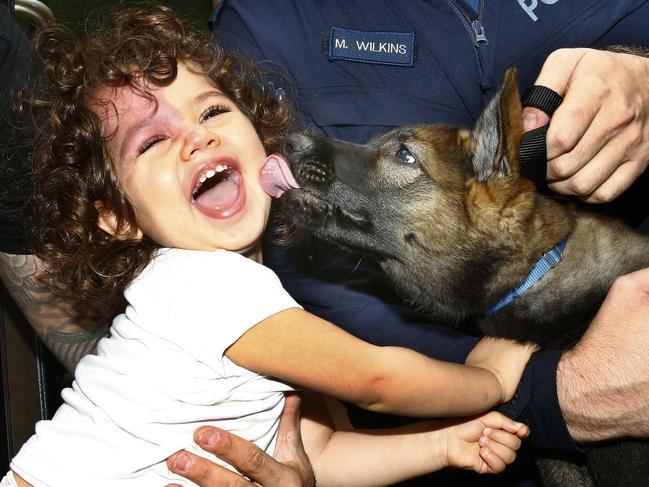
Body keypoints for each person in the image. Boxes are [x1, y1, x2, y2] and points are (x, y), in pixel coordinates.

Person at [1, 6, 534, 486]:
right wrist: (487, 378)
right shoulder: (201, 287)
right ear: (117, 218)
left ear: (263, 141)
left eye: (212, 112)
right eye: (154, 140)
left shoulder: (256, 300)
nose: (198, 137)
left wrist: (438, 443)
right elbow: (378, 379)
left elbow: (317, 454)